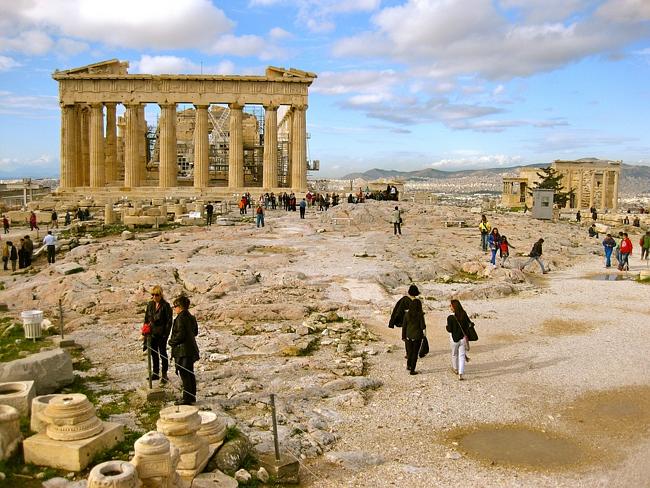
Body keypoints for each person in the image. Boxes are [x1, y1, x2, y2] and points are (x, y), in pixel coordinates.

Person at [169, 295, 200, 405]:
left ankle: (187, 398)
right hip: (191, 349)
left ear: (180, 306)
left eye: (175, 306)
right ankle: (191, 396)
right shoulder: (191, 317)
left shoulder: (180, 318)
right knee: (190, 373)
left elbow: (181, 335)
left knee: (185, 374)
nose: (174, 308)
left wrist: (171, 342)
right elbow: (195, 332)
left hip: (183, 351)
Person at [143, 286, 173, 384]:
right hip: (152, 333)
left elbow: (169, 322)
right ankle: (155, 373)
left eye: (156, 295)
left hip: (161, 334)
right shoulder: (150, 304)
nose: (154, 297)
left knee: (163, 353)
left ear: (161, 295)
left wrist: (166, 334)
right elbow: (146, 319)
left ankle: (164, 374)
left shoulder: (166, 306)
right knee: (153, 353)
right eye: (153, 295)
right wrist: (145, 331)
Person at [400, 285, 426, 375]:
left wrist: (403, 336)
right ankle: (412, 370)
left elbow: (404, 326)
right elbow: (423, 326)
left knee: (409, 352)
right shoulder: (420, 315)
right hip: (417, 336)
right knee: (415, 353)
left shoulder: (407, 314)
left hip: (408, 336)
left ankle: (408, 365)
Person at [446, 299, 472, 381]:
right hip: (463, 338)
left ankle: (455, 369)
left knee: (454, 354)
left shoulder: (450, 317)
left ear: (454, 307)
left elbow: (449, 329)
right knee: (461, 356)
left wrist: (447, 327)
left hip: (454, 339)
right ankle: (461, 373)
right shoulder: (463, 314)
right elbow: (469, 324)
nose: (450, 307)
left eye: (450, 305)